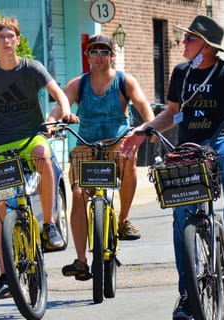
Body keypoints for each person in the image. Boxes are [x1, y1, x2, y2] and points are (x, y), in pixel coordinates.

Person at [120, 15, 224, 320]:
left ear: (207, 46)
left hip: (217, 141)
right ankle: (187, 295)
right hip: (186, 149)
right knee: (180, 218)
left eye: (189, 39)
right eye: (185, 37)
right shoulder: (181, 74)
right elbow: (172, 114)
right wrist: (142, 131)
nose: (184, 43)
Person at [0, 16, 71, 300]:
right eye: (1, 37)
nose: (6, 41)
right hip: (0, 145)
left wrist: (65, 112)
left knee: (43, 154)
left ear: (18, 40)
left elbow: (59, 95)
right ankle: (3, 274)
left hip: (31, 136)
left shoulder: (31, 67)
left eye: (11, 36)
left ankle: (49, 224)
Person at [49, 34, 155, 280]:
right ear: (87, 56)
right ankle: (81, 260)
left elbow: (142, 105)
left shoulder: (123, 81)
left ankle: (124, 219)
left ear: (112, 56)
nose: (98, 56)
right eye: (94, 52)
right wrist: (52, 123)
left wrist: (149, 127)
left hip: (118, 142)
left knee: (129, 158)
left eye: (104, 52)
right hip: (86, 145)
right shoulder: (79, 84)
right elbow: (58, 108)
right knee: (77, 194)